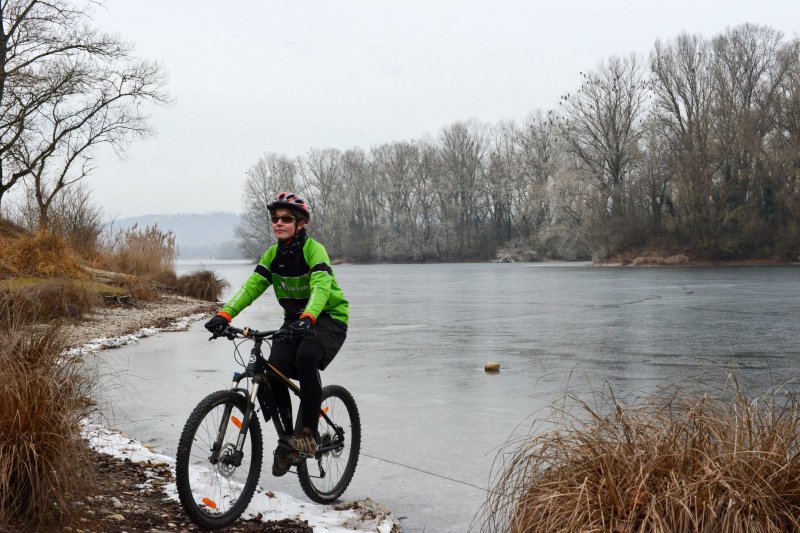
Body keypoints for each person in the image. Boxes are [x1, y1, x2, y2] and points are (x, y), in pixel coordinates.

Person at [204, 191, 349, 476]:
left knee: (307, 356)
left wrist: (309, 317)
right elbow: (250, 288)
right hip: (296, 320)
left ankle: (306, 433)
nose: (278, 223)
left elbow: (321, 288)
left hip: (328, 317)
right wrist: (224, 314)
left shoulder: (313, 251)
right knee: (271, 372)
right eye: (275, 219)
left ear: (301, 224)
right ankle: (288, 442)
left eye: (286, 219)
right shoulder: (273, 256)